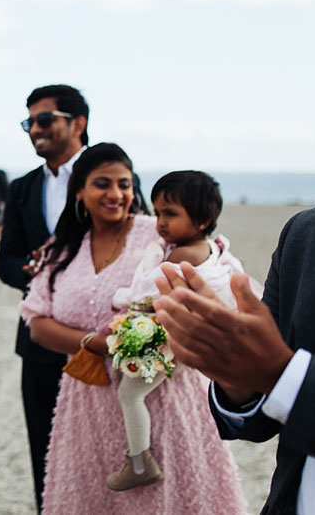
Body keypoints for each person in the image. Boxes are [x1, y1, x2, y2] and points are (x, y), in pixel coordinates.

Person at [154, 37, 315, 515]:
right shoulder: (308, 236)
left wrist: (280, 372)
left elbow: (286, 377)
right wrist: (234, 374)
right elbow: (256, 420)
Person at [18, 143, 247, 514]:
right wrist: (95, 343)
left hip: (164, 393)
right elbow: (38, 324)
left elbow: (213, 269)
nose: (116, 194)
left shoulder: (159, 236)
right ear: (80, 190)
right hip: (85, 401)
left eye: (124, 184)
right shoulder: (60, 250)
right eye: (102, 184)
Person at [0, 84, 146, 509]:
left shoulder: (115, 176)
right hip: (42, 347)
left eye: (44, 120)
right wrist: (36, 272)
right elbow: (4, 260)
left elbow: (145, 250)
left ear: (78, 123)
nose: (34, 130)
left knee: (118, 453)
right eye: (29, 123)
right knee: (47, 459)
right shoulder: (23, 188)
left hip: (114, 345)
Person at [105, 171, 249, 492]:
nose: (161, 223)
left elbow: (146, 293)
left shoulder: (183, 255)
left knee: (130, 394)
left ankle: (139, 462)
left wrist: (121, 299)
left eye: (170, 214)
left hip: (176, 339)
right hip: (192, 334)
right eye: (157, 213)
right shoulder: (214, 248)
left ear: (202, 220)